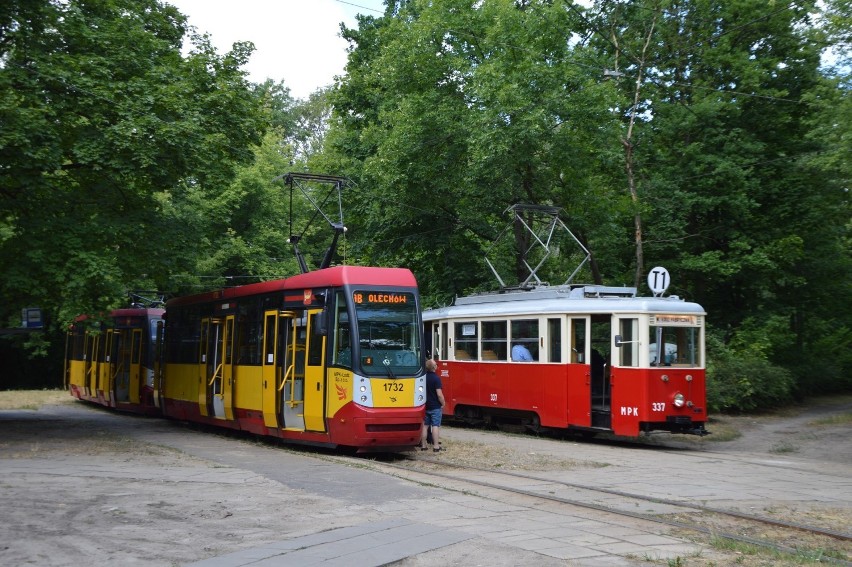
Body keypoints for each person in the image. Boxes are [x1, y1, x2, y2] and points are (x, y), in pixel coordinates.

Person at [421, 358, 445, 452]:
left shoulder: (423, 377)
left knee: (425, 425)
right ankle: (436, 446)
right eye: (436, 364)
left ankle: (423, 445)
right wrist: (443, 403)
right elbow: (439, 394)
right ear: (434, 367)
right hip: (435, 406)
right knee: (435, 425)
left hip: (425, 405)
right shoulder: (436, 378)